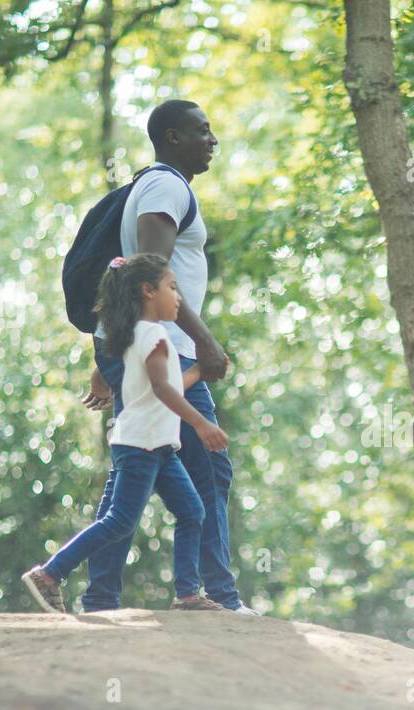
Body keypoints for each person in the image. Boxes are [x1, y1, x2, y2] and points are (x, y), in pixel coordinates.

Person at [81, 99, 259, 615]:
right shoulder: (165, 186)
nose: (213, 139)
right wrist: (205, 341)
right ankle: (217, 596)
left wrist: (109, 352)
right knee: (208, 464)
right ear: (173, 138)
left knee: (135, 467)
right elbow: (149, 270)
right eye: (202, 131)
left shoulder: (159, 186)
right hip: (171, 351)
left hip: (145, 346)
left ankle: (99, 598)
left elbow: (133, 277)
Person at [23, 254, 229, 614]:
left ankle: (186, 594)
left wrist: (197, 370)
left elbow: (166, 386)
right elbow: (165, 391)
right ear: (148, 291)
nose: (179, 298)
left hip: (158, 445)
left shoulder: (140, 334)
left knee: (192, 511)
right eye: (172, 288)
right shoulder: (154, 335)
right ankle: (49, 574)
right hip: (141, 446)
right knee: (119, 520)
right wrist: (201, 423)